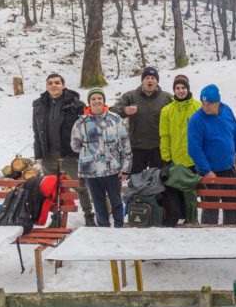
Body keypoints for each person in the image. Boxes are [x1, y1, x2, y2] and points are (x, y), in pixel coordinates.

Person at [32, 73, 95, 226]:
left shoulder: (76, 104)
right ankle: (57, 217)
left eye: (57, 83)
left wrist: (84, 152)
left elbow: (85, 130)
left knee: (80, 185)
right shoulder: (39, 105)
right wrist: (38, 154)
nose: (54, 85)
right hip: (49, 155)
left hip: (70, 154)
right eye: (50, 83)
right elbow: (36, 130)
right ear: (47, 86)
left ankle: (89, 215)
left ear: (63, 85)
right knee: (53, 188)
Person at [70, 88, 132, 228]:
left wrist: (126, 168)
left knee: (116, 201)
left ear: (103, 100)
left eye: (99, 98)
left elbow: (125, 144)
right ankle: (103, 229)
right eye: (93, 99)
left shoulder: (115, 119)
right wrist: (91, 153)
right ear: (89, 102)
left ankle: (119, 226)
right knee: (98, 202)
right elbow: (75, 145)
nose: (97, 101)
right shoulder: (81, 122)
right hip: (91, 171)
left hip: (112, 169)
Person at [188, 84, 236, 225]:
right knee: (210, 207)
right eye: (203, 102)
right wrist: (206, 171)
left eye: (209, 103)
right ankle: (208, 234)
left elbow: (235, 131)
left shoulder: (227, 111)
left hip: (228, 167)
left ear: (218, 102)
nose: (205, 106)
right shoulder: (196, 119)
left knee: (231, 204)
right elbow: (194, 148)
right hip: (209, 171)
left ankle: (230, 229)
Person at [111, 66, 172, 174]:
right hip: (137, 146)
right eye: (147, 77)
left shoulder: (166, 97)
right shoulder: (131, 96)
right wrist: (125, 110)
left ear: (157, 81)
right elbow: (113, 111)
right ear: (142, 81)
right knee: (136, 180)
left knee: (159, 179)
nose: (150, 80)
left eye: (153, 78)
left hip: (158, 146)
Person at [159, 74, 202, 227]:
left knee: (191, 195)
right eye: (177, 88)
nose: (181, 90)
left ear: (188, 88)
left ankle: (192, 221)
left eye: (183, 87)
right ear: (174, 90)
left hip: (193, 160)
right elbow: (164, 136)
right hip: (175, 161)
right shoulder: (166, 110)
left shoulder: (197, 106)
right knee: (174, 196)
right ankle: (176, 223)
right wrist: (167, 158)